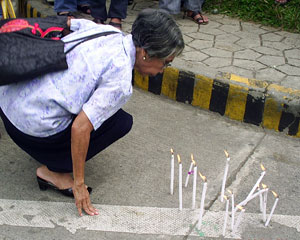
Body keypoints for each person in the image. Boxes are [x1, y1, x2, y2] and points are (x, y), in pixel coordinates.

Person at [0, 9, 184, 216]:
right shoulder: (121, 82)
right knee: (122, 122)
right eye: (166, 63)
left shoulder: (106, 31)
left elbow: (66, 22)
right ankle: (52, 171)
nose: (163, 69)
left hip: (7, 104)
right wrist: (79, 183)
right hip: (28, 131)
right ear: (146, 53)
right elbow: (80, 128)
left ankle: (48, 142)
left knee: (95, 106)